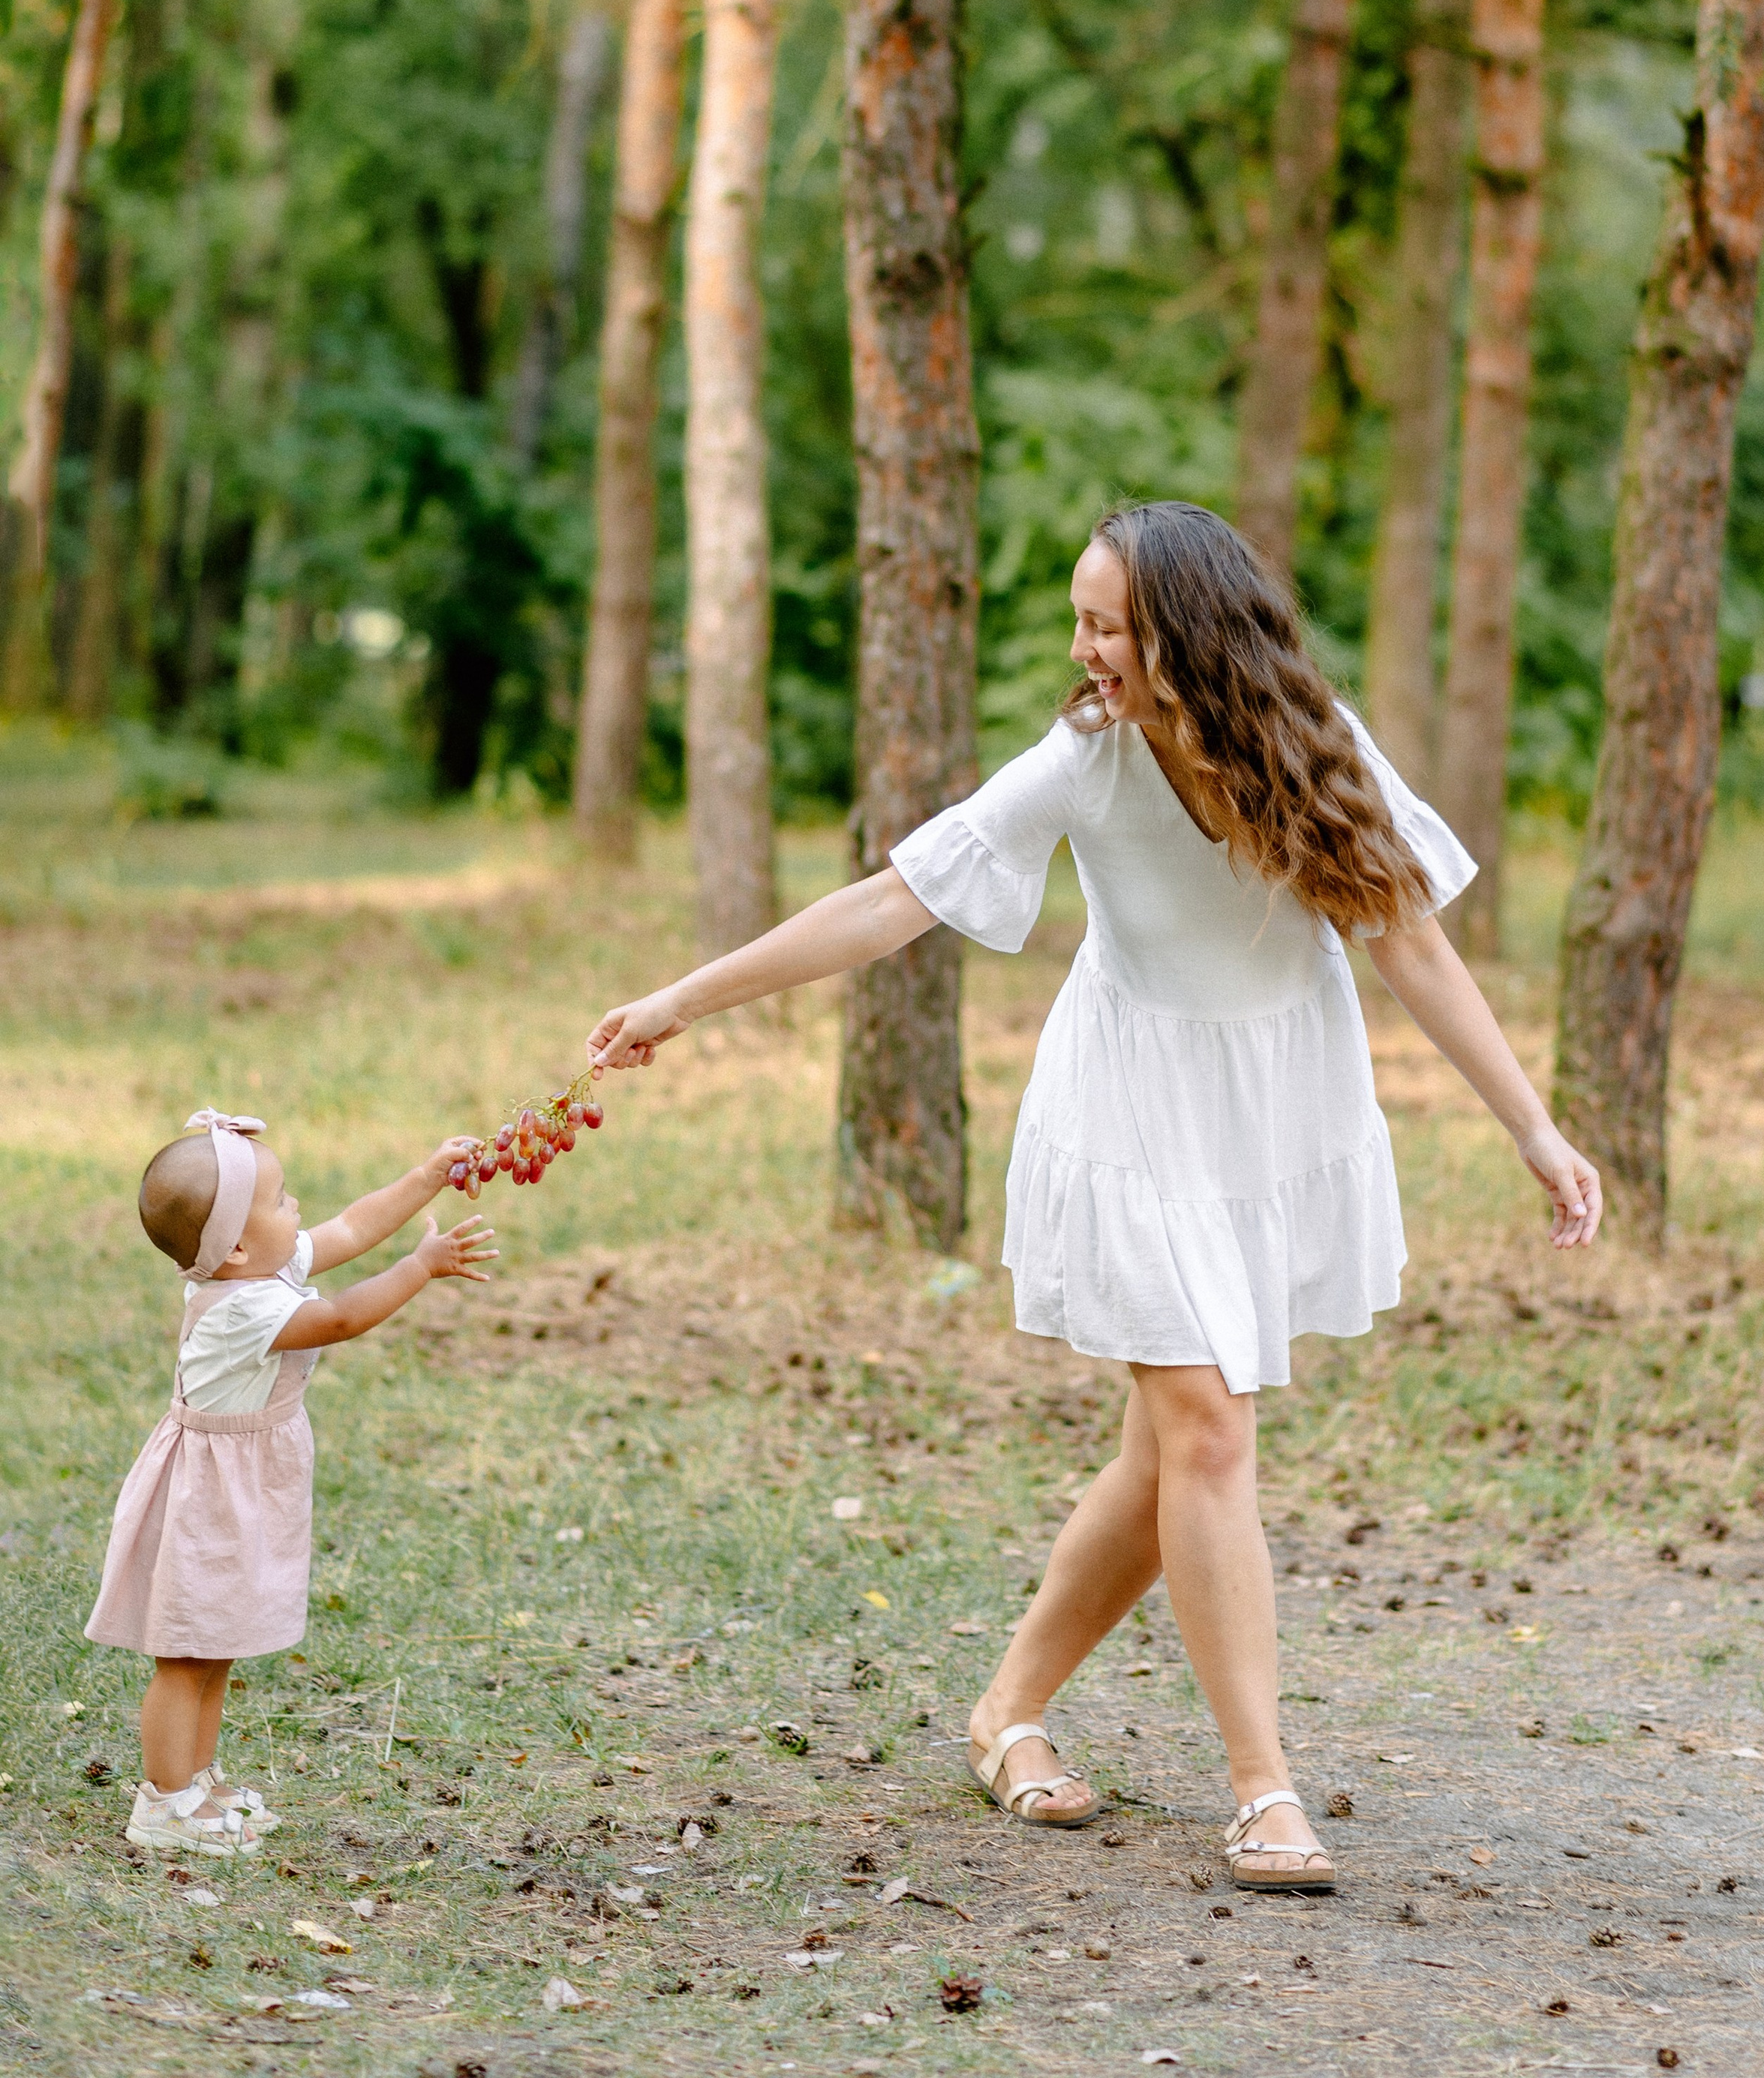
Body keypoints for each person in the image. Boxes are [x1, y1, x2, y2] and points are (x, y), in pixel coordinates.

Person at [587, 500, 1602, 1895]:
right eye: (1081, 615)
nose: (1084, 645)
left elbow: (1410, 944)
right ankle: (1264, 1790)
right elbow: (893, 900)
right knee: (1206, 1428)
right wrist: (682, 1000)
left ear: (1188, 635)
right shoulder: (1085, 759)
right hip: (1127, 1112)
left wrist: (1536, 1127)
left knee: (1165, 1454)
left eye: (1109, 621)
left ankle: (1004, 1710)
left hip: (1265, 1112)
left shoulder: (1318, 747)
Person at [87, 1110, 495, 1857]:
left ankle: (196, 1780)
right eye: (279, 1200)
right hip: (208, 1498)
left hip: (237, 1487)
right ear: (238, 1243)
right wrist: (420, 1265)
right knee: (185, 1652)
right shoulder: (243, 1307)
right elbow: (338, 1318)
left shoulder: (252, 1268)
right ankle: (163, 1801)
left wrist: (426, 1176)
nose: (296, 1207)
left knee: (216, 1644)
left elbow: (346, 1229)